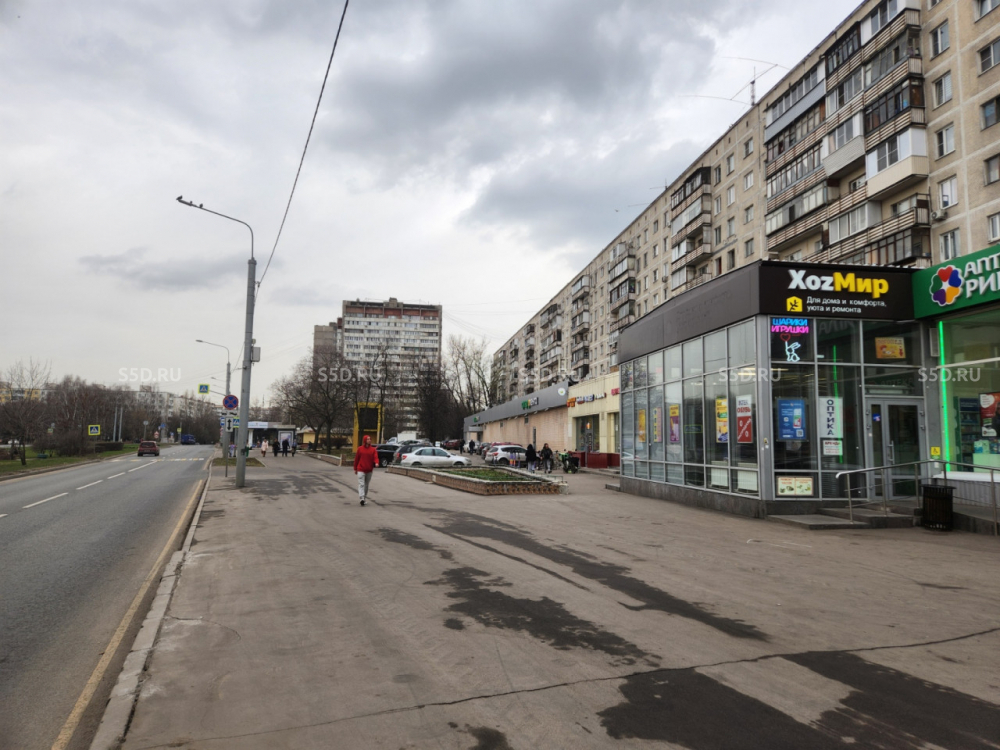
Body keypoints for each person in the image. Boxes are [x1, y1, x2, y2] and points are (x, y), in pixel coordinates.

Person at [354, 434, 379, 506]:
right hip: (361, 469)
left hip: (369, 469)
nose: (369, 440)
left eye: (370, 439)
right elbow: (356, 459)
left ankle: (364, 498)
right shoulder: (360, 449)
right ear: (364, 440)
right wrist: (355, 468)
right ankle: (361, 498)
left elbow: (375, 457)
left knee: (366, 485)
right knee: (361, 484)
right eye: (368, 439)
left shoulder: (373, 450)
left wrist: (376, 463)